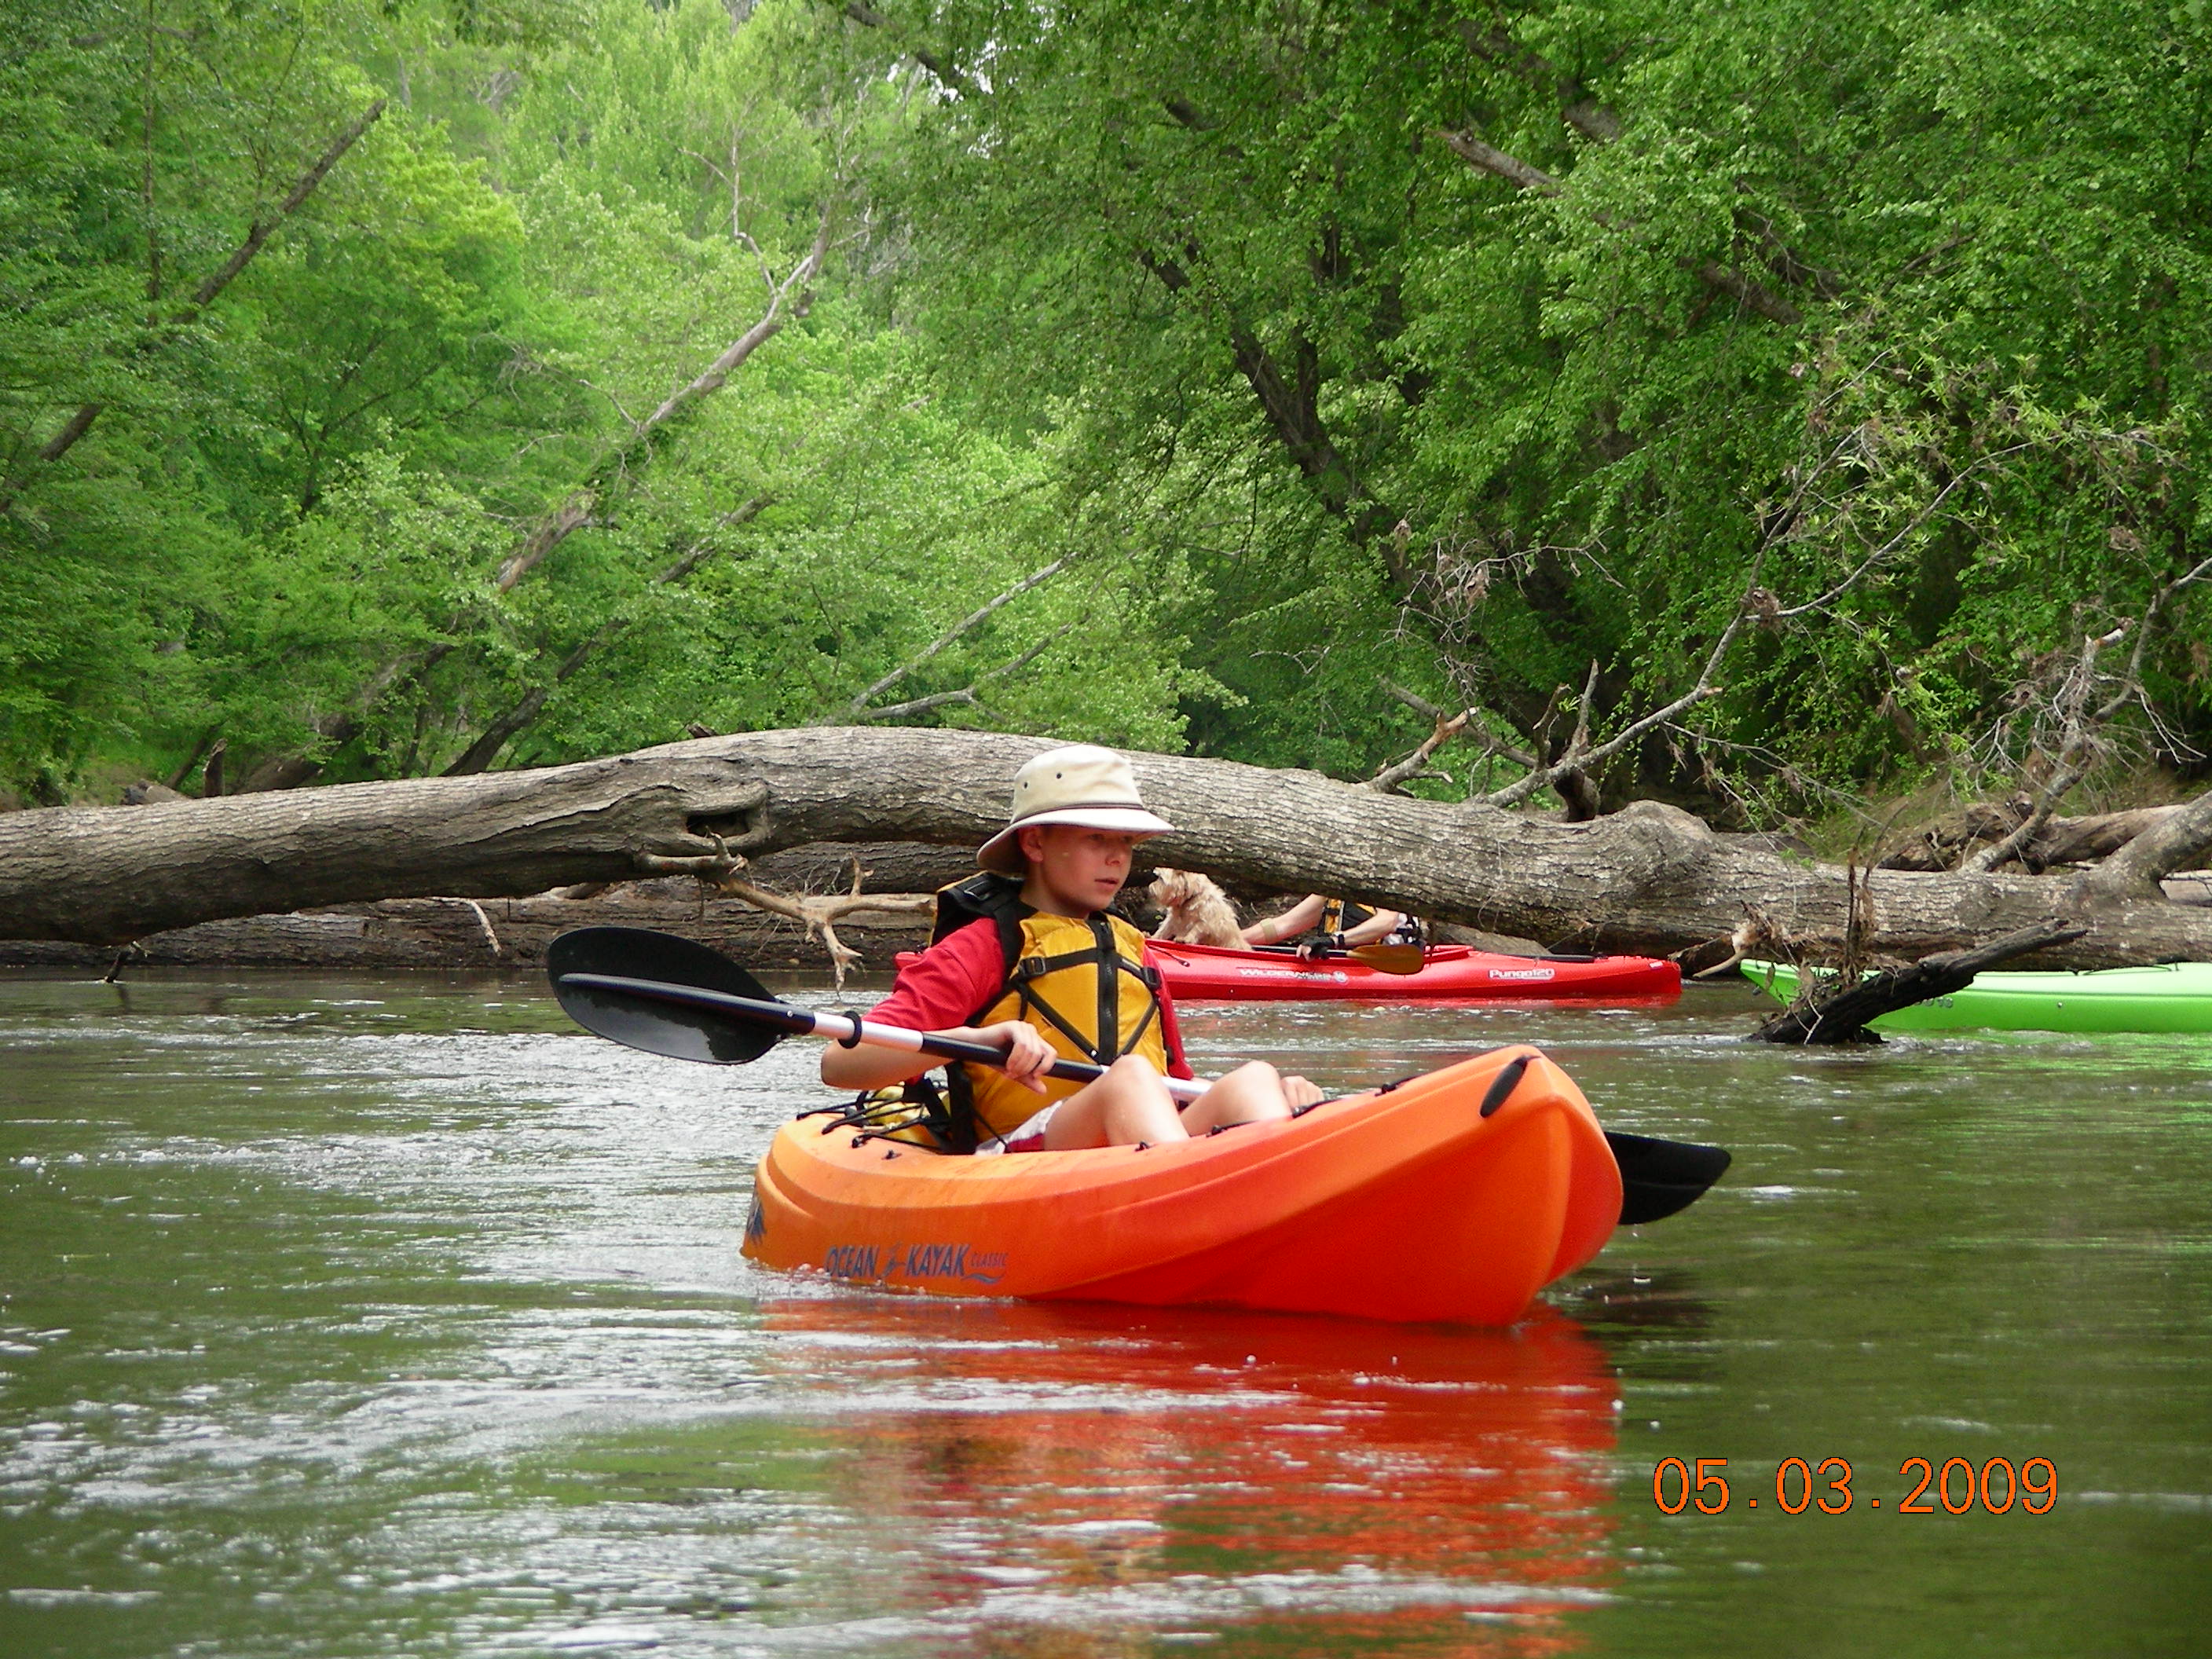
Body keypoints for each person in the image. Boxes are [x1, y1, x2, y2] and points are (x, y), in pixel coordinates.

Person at [821, 745, 1322, 1152]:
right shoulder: (983, 945)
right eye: (1096, 838)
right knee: (1129, 1079)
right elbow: (840, 1065)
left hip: (1135, 1147)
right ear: (1035, 844)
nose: (1116, 858)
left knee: (1257, 1078)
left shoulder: (1136, 953)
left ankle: (1276, 1201)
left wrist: (1282, 1103)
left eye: (1126, 842)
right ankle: (1195, 1213)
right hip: (1019, 1157)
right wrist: (979, 1040)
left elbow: (1177, 1087)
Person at [1243, 893, 1424, 957]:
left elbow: (1386, 923)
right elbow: (1282, 925)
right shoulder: (1332, 891)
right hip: (1341, 961)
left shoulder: (1381, 883)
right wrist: (1229, 939)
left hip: (1388, 960)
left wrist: (1332, 941)